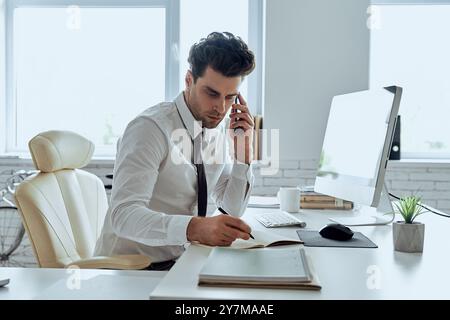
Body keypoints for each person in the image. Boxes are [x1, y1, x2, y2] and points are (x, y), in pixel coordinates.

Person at [94, 32, 256, 270]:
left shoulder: (215, 132)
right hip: (129, 269)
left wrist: (243, 158)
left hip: (180, 263)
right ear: (189, 80)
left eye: (230, 97)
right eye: (211, 94)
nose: (220, 108)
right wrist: (195, 228)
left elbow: (230, 210)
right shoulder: (150, 129)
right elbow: (124, 216)